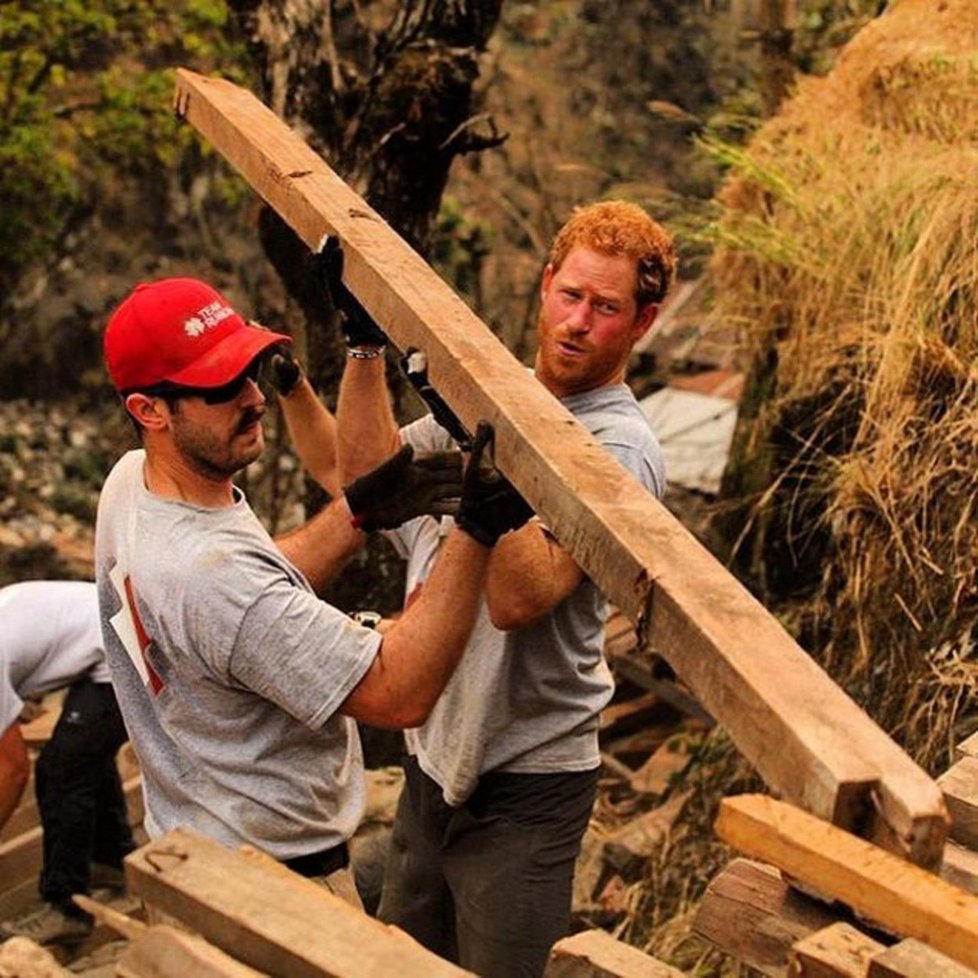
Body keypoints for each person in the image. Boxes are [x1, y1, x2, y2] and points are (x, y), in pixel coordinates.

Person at [93, 276, 530, 907]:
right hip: (279, 892)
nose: (254, 398)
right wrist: (477, 528)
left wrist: (355, 514)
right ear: (149, 410)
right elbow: (399, 692)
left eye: (248, 372)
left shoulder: (133, 485)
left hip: (197, 851)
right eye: (220, 388)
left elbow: (243, 595)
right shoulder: (212, 579)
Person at [332, 200, 676, 976]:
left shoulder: (620, 446)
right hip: (433, 757)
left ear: (643, 321)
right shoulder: (499, 395)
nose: (579, 321)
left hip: (529, 783)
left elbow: (520, 599)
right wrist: (361, 349)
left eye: (607, 307)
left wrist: (467, 428)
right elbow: (360, 479)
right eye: (570, 294)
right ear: (546, 283)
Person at [0, 580, 134, 946]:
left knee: (60, 770)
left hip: (127, 646)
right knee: (83, 752)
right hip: (113, 632)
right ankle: (112, 862)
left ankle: (66, 908)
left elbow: (12, 770)